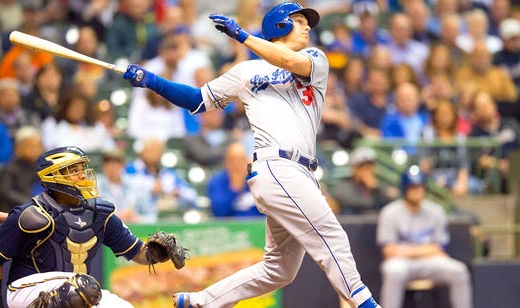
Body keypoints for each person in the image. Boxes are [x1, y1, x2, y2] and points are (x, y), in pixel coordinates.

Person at [122, 2, 380, 307]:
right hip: (276, 166)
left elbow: (286, 60)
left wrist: (243, 37)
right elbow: (197, 99)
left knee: (279, 270)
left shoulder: (315, 58)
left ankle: (198, 302)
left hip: (301, 173)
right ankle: (366, 304)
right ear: (280, 26)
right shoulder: (247, 70)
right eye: (299, 21)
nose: (308, 26)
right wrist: (152, 81)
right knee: (331, 235)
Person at [0, 146, 185, 307]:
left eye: (82, 169)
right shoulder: (31, 214)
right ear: (54, 175)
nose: (82, 175)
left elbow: (138, 253)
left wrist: (157, 252)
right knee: (81, 287)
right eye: (74, 171)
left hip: (80, 290)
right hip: (25, 290)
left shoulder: (100, 213)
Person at [377, 166, 473, 308]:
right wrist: (426, 250)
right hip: (402, 263)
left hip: (430, 263)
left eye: (420, 187)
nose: (418, 191)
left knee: (459, 271)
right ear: (405, 189)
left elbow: (440, 248)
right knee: (393, 271)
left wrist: (405, 250)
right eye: (413, 187)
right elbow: (389, 251)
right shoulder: (389, 212)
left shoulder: (436, 211)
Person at [333, 147, 398, 215]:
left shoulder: (379, 185)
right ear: (354, 169)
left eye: (370, 167)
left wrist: (376, 188)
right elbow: (354, 201)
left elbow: (394, 199)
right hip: (352, 223)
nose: (367, 171)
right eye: (363, 167)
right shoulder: (344, 186)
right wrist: (374, 199)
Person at [207, 141, 262, 218]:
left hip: (258, 226)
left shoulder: (256, 178)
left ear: (247, 161)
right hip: (230, 227)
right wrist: (235, 188)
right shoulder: (217, 181)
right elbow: (219, 213)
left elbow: (268, 211)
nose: (237, 164)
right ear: (226, 162)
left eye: (241, 160)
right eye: (233, 160)